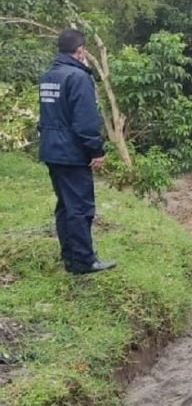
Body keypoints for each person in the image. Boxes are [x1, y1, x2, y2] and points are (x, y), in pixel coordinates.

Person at [38, 29, 116, 275]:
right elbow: (84, 121)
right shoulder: (78, 78)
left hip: (51, 149)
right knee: (80, 207)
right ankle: (84, 261)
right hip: (71, 153)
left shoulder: (48, 76)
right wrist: (96, 150)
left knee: (65, 206)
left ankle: (70, 256)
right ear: (80, 51)